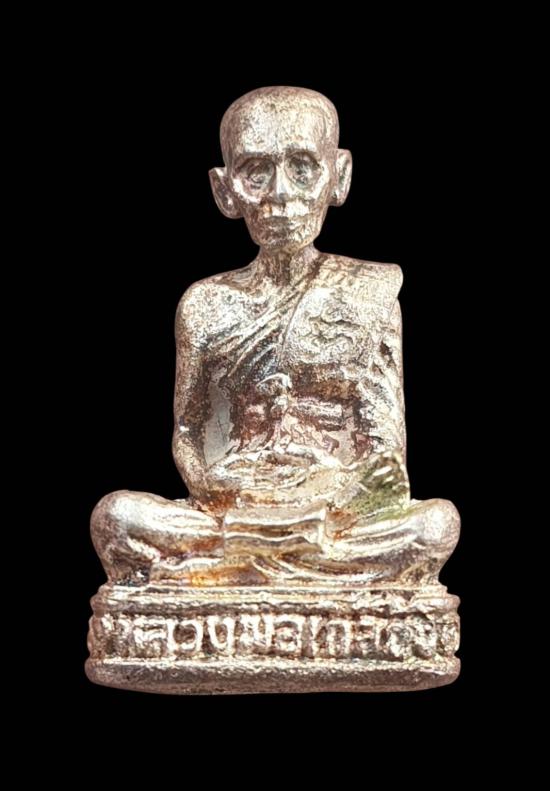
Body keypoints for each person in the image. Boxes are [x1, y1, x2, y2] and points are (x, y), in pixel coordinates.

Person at [91, 86, 459, 587]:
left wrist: (330, 494)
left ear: (339, 176)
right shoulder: (206, 304)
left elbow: (386, 455)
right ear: (224, 190)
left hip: (330, 509)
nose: (281, 194)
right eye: (256, 172)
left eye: (303, 168)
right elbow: (189, 433)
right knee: (116, 517)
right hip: (236, 505)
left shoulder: (367, 293)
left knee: (435, 525)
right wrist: (217, 488)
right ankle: (293, 566)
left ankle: (235, 569)